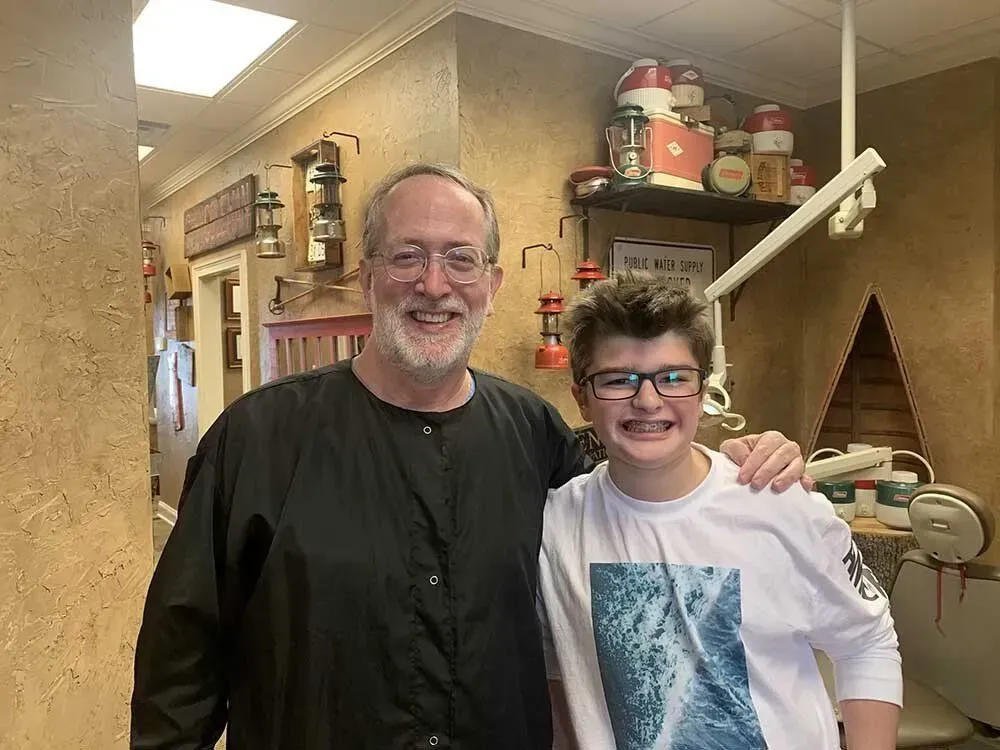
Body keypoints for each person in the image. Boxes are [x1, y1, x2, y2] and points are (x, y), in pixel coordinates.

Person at [130, 164, 808, 750]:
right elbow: (180, 663)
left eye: (460, 258)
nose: (433, 283)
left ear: (493, 284)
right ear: (368, 278)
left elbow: (634, 520)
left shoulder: (535, 432)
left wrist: (734, 467)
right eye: (407, 256)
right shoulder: (257, 438)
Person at [539, 271, 902, 750]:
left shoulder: (780, 502)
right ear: (581, 398)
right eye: (618, 380)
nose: (648, 400)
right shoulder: (553, 526)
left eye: (673, 378)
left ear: (703, 391)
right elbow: (556, 672)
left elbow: (867, 643)